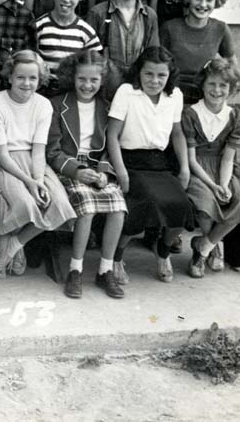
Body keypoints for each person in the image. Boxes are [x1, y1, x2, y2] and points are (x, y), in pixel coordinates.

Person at [0, 50, 75, 279]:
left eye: (33, 78)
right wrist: (30, 183)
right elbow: (2, 155)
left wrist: (39, 181)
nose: (26, 83)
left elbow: (39, 150)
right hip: (2, 161)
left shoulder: (43, 105)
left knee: (57, 202)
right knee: (24, 203)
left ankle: (14, 244)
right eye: (21, 77)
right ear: (10, 77)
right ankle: (10, 244)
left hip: (33, 161)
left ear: (40, 79)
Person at [107, 46, 194, 283]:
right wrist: (121, 172)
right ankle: (116, 257)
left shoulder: (175, 95)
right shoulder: (126, 92)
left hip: (159, 161)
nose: (154, 81)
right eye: (149, 74)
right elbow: (112, 135)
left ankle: (163, 253)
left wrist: (184, 168)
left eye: (161, 75)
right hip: (130, 160)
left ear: (169, 76)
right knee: (143, 204)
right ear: (139, 72)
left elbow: (177, 134)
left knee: (181, 205)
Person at [46, 50, 126, 299]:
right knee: (88, 205)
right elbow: (53, 151)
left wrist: (103, 172)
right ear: (72, 76)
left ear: (102, 80)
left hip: (96, 168)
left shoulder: (107, 107)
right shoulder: (57, 104)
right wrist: (78, 171)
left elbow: (110, 148)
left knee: (118, 205)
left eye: (94, 80)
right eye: (82, 79)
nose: (87, 85)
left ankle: (105, 270)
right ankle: (76, 269)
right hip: (68, 169)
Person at [181, 58, 240, 278]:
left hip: (223, 167)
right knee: (205, 204)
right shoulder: (190, 113)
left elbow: (228, 157)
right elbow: (192, 160)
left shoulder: (234, 115)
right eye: (212, 84)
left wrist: (223, 184)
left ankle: (204, 246)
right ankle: (216, 249)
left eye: (223, 85)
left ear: (231, 89)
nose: (217, 90)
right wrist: (213, 185)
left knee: (238, 197)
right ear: (203, 85)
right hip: (199, 169)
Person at [85, 0, 160, 82]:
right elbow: (88, 56)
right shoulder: (98, 13)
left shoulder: (149, 16)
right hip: (105, 84)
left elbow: (153, 55)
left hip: (137, 85)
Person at [159, 0, 233, 104]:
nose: (203, 4)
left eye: (209, 0)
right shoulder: (169, 28)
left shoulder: (220, 28)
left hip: (205, 97)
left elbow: (231, 65)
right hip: (172, 94)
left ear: (216, 1)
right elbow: (158, 64)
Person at [30, 0, 102, 95]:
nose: (66, 0)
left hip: (71, 94)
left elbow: (94, 67)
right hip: (42, 92)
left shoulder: (86, 32)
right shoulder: (38, 26)